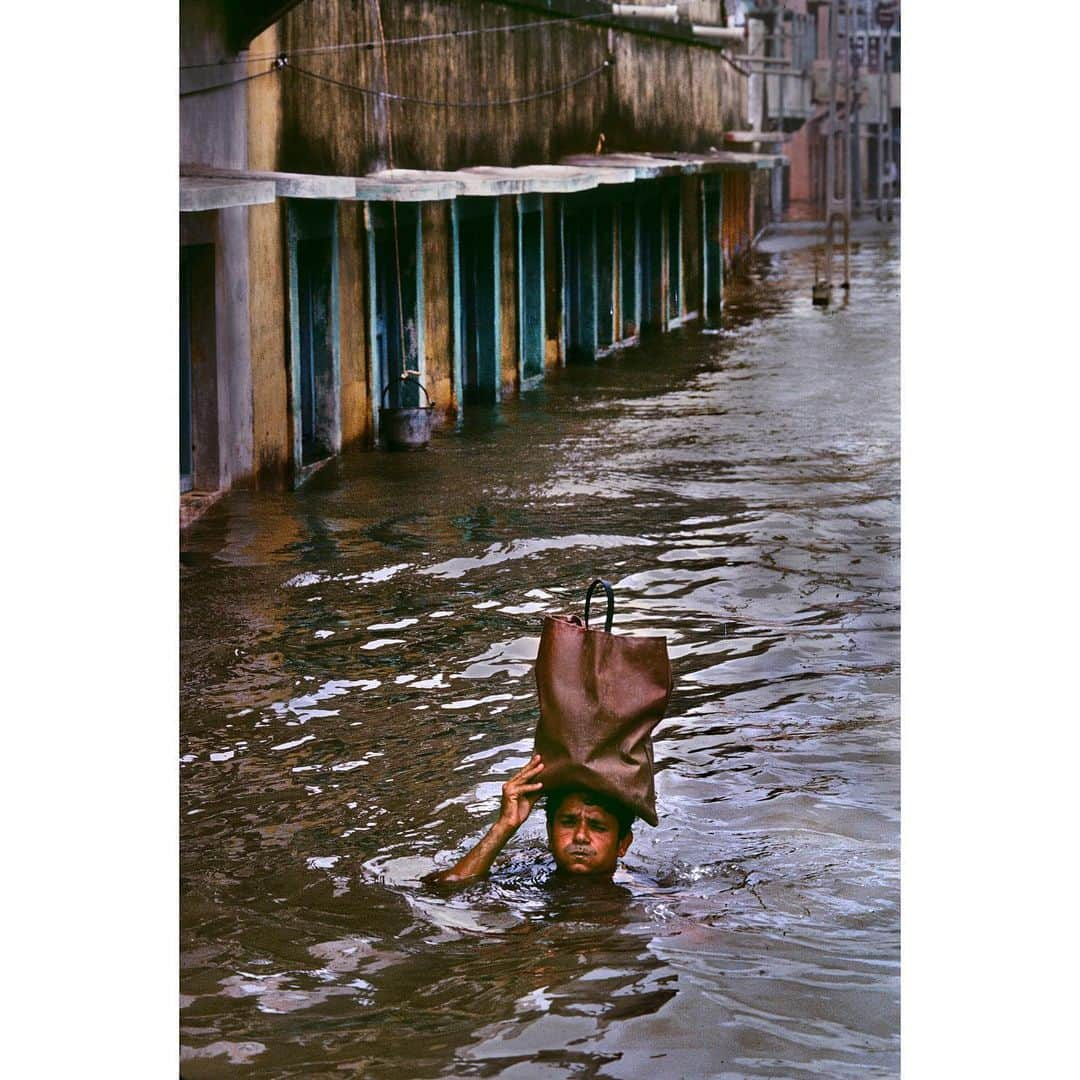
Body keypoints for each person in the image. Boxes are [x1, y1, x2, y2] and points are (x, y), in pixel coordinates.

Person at [426, 754, 635, 885]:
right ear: (549, 832)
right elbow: (448, 887)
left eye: (597, 826)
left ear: (623, 844)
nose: (580, 836)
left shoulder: (643, 892)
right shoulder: (528, 864)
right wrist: (505, 825)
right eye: (569, 822)